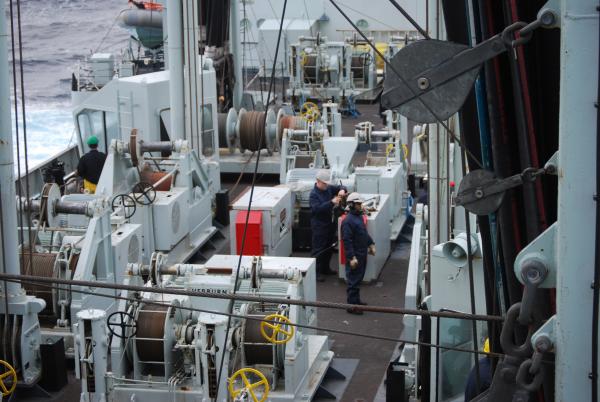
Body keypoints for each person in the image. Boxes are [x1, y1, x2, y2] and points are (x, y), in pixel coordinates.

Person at [341, 192, 375, 315]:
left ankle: (356, 301)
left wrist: (370, 244)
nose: (361, 206)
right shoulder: (348, 221)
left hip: (362, 254)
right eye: (358, 204)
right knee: (353, 281)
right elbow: (347, 241)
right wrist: (351, 257)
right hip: (355, 256)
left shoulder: (358, 217)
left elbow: (364, 233)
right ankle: (352, 306)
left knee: (358, 279)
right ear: (351, 205)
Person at [310, 169, 346, 282]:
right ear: (318, 181)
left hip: (330, 223)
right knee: (318, 249)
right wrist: (331, 202)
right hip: (319, 225)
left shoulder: (328, 188)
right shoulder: (313, 195)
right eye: (324, 183)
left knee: (328, 247)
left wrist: (342, 190)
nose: (326, 185)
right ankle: (315, 272)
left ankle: (325, 268)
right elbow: (317, 210)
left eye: (327, 183)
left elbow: (341, 187)